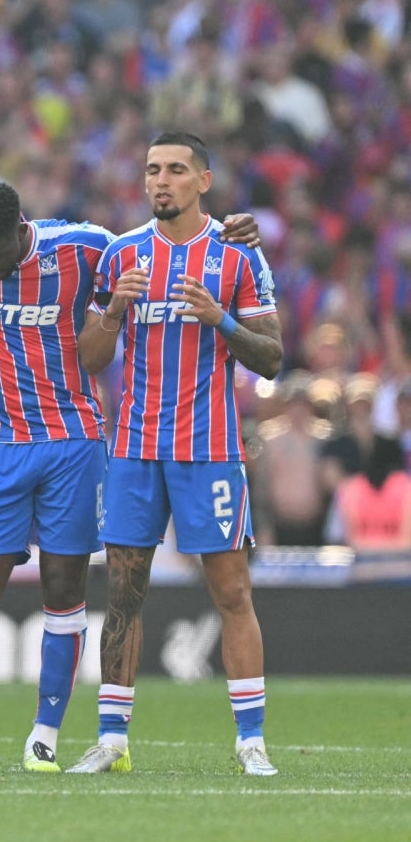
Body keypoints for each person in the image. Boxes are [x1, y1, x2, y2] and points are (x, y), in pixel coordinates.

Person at [0, 180, 264, 773]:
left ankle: (44, 738)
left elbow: (164, 242)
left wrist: (231, 229)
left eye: (0, 254)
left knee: (65, 591)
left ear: (23, 227)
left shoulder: (87, 247)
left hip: (73, 443)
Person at [72, 131, 285, 777]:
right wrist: (112, 312)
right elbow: (87, 359)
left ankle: (251, 740)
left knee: (231, 591)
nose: (159, 181)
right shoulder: (120, 256)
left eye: (174, 170)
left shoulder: (238, 255)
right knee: (122, 594)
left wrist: (220, 319)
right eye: (151, 170)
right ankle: (112, 740)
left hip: (209, 451)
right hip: (134, 450)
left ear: (204, 180)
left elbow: (272, 357)